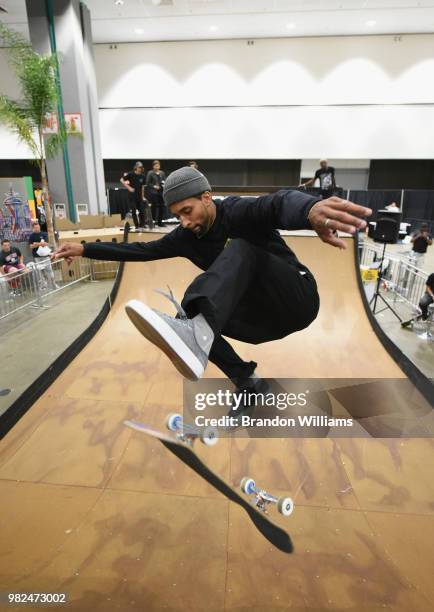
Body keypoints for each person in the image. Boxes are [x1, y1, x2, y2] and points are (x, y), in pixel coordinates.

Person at [54, 167, 371, 400]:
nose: (185, 222)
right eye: (178, 216)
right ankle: (249, 383)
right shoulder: (185, 237)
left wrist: (310, 208)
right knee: (191, 315)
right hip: (261, 320)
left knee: (241, 248)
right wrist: (86, 249)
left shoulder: (236, 211)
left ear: (207, 197)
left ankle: (195, 335)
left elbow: (275, 204)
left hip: (297, 298)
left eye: (188, 211)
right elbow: (143, 250)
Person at [120, 161, 149, 231]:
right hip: (132, 196)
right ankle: (137, 225)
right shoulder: (131, 174)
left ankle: (142, 224)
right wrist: (129, 187)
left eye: (141, 167)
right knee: (134, 211)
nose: (140, 169)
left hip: (139, 196)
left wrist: (142, 197)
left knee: (142, 210)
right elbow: (121, 180)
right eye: (139, 167)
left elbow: (142, 187)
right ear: (136, 167)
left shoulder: (143, 176)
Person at [28, 222, 57, 289]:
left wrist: (36, 244)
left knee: (49, 270)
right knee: (41, 271)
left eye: (38, 227)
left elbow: (45, 243)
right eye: (35, 228)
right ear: (33, 228)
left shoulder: (44, 234)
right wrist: (39, 244)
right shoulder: (31, 236)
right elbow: (31, 246)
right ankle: (44, 285)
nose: (37, 228)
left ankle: (54, 284)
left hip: (45, 256)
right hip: (37, 257)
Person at [146, 160, 167, 227]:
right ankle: (154, 222)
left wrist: (163, 184)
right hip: (153, 193)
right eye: (156, 166)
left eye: (158, 165)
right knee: (154, 207)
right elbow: (147, 183)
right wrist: (154, 186)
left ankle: (160, 222)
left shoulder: (162, 173)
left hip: (161, 192)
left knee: (162, 207)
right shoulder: (150, 173)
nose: (157, 167)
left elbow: (164, 181)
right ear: (153, 166)